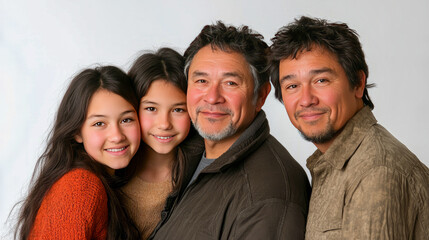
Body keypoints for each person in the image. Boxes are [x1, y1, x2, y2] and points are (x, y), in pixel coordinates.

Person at [270, 16, 429, 239]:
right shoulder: (337, 164)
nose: (306, 100)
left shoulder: (376, 173)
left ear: (358, 83)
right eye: (292, 86)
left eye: (321, 80)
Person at [151, 21, 311, 240]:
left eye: (231, 83)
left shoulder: (267, 196)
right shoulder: (190, 153)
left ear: (261, 95)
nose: (212, 97)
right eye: (201, 80)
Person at [13, 66, 141, 239]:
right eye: (99, 124)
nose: (117, 136)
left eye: (126, 120)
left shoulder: (94, 179)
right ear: (77, 132)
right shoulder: (81, 186)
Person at [121, 48, 202, 239]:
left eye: (178, 110)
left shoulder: (200, 172)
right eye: (151, 108)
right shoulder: (110, 168)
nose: (164, 124)